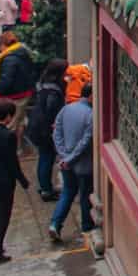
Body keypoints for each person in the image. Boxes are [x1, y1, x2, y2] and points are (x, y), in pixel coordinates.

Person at [0, 99, 30, 266]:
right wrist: (23, 181)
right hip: (3, 180)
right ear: (8, 116)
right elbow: (12, 163)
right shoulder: (8, 136)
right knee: (3, 215)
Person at [49, 83, 95, 241]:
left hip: (66, 162)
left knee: (67, 192)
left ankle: (55, 224)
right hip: (83, 163)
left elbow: (57, 132)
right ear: (91, 96)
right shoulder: (90, 114)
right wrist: (70, 158)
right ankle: (87, 228)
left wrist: (63, 156)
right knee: (85, 195)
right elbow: (85, 141)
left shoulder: (66, 109)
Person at [27, 59, 66, 201]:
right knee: (47, 157)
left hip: (36, 126)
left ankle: (44, 185)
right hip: (44, 130)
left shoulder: (43, 84)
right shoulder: (53, 92)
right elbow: (51, 112)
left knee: (43, 157)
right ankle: (46, 190)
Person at [0, 31, 36, 148]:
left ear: (4, 44)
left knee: (10, 123)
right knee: (19, 121)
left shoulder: (9, 58)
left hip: (13, 95)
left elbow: (6, 79)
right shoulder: (23, 52)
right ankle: (18, 147)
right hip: (25, 92)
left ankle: (10, 148)